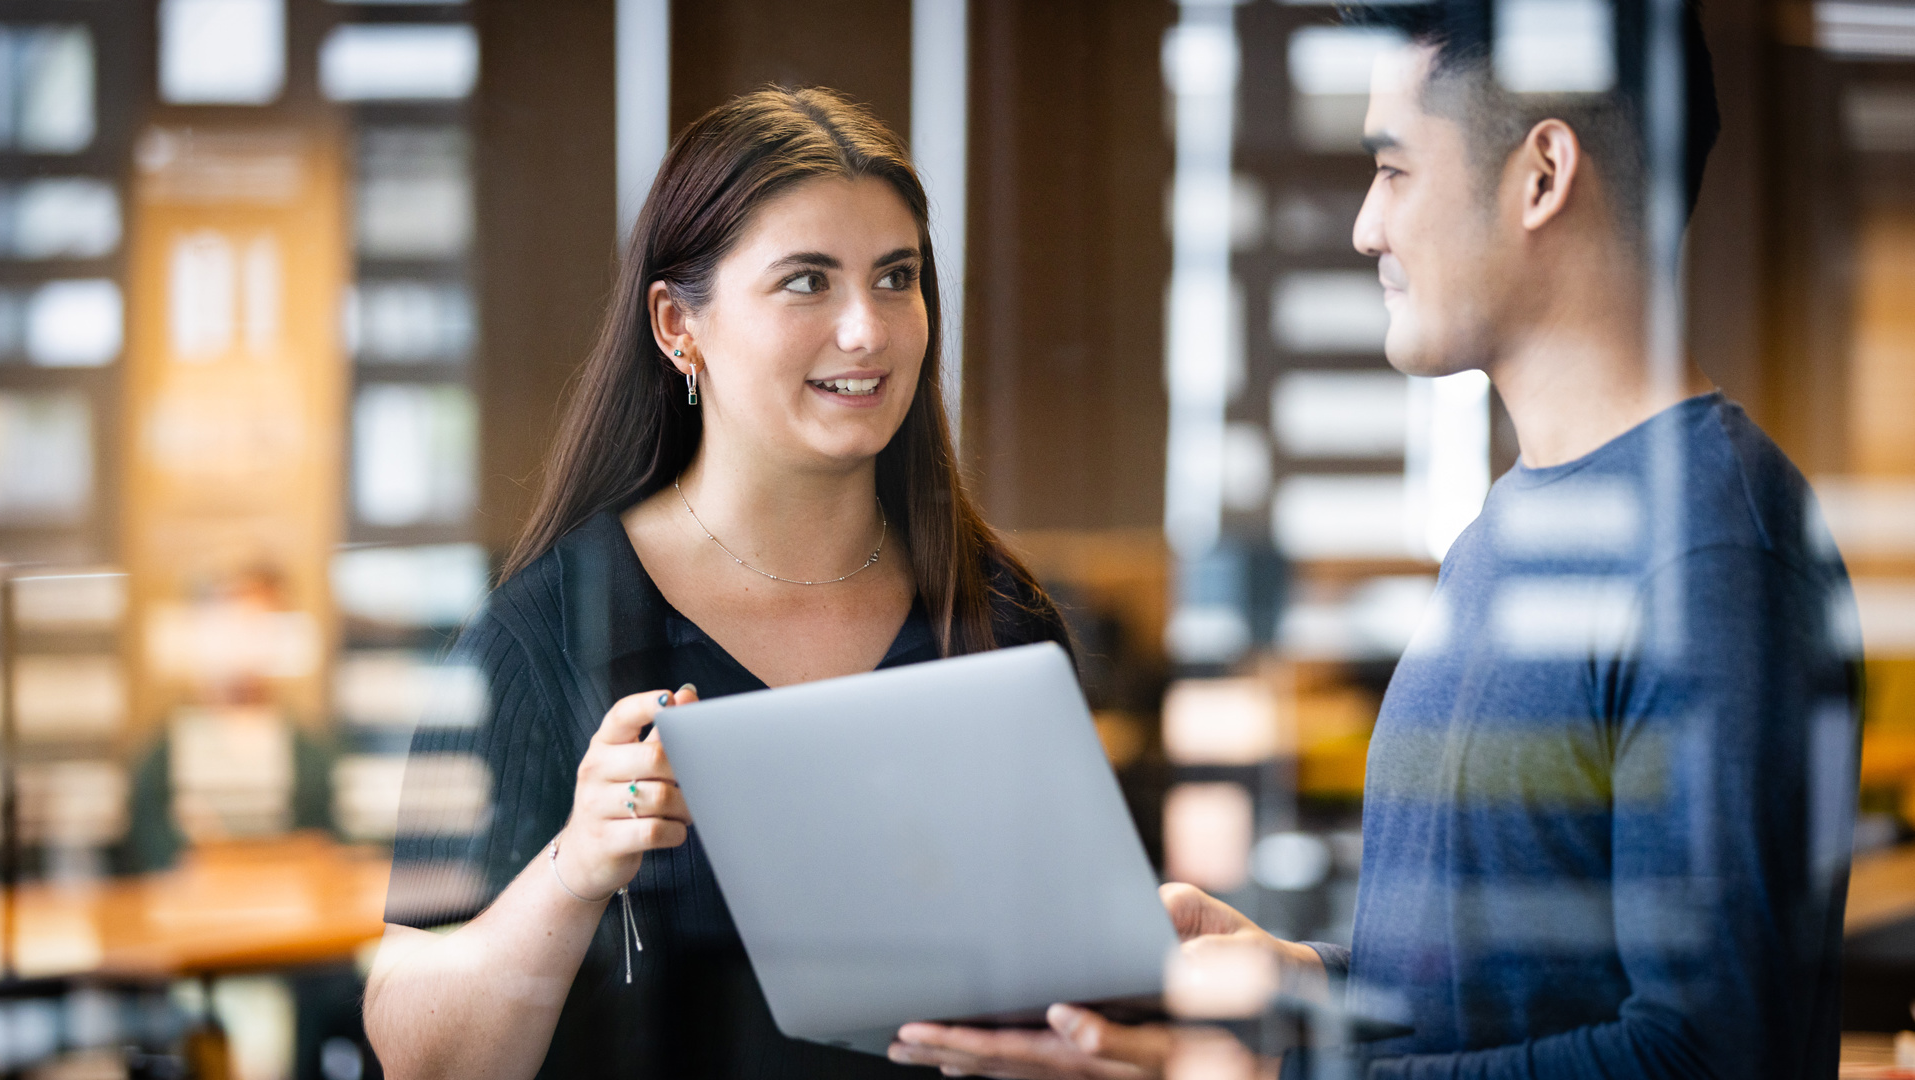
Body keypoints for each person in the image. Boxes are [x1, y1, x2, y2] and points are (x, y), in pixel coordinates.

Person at [891, 6, 1862, 1079]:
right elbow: (1504, 997)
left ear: (1540, 174)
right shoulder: (1518, 530)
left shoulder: (1712, 551)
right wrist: (1294, 976)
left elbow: (1709, 1056)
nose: (1363, 226)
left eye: (1393, 169)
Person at [361, 86, 1070, 1080]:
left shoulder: (995, 620)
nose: (866, 329)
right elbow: (419, 1057)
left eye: (895, 277)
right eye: (805, 283)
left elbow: (1090, 985)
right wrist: (571, 871)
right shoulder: (548, 634)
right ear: (675, 326)